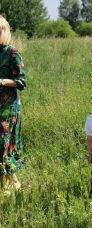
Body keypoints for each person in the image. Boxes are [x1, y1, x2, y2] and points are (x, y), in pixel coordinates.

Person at [0, 15, 27, 192]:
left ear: (4, 31)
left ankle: (11, 184)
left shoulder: (12, 52)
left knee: (4, 145)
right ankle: (10, 183)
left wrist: (2, 81)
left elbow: (22, 82)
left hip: (8, 109)